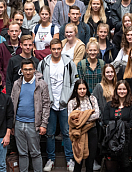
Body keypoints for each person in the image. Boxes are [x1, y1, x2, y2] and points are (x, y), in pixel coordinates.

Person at [36, 38, 77, 171]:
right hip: (50, 104)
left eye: (59, 48)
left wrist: (67, 97)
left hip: (64, 103)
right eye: (54, 49)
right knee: (50, 133)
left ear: (61, 48)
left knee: (67, 132)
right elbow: (39, 83)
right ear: (50, 49)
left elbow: (74, 82)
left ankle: (70, 159)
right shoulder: (43, 64)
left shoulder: (69, 63)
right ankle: (50, 159)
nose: (56, 51)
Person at [11, 58, 50, 172]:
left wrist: (44, 124)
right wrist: (12, 124)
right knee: (22, 153)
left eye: (30, 69)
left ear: (34, 70)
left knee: (35, 153)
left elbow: (46, 105)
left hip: (34, 124)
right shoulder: (16, 84)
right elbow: (12, 103)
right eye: (25, 70)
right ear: (21, 70)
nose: (27, 72)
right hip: (18, 123)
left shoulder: (41, 84)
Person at [102, 80, 132, 172]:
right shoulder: (109, 105)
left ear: (128, 90)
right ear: (116, 91)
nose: (121, 91)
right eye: (119, 89)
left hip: (128, 142)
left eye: (124, 89)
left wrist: (116, 126)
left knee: (126, 168)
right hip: (112, 142)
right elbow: (106, 121)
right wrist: (120, 127)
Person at [68, 79, 100, 172]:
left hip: (92, 131)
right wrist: (87, 115)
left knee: (90, 161)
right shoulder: (72, 102)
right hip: (78, 133)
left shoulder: (92, 99)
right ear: (76, 90)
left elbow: (97, 115)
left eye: (84, 88)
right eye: (80, 89)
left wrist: (80, 117)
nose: (82, 91)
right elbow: (71, 120)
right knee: (78, 161)